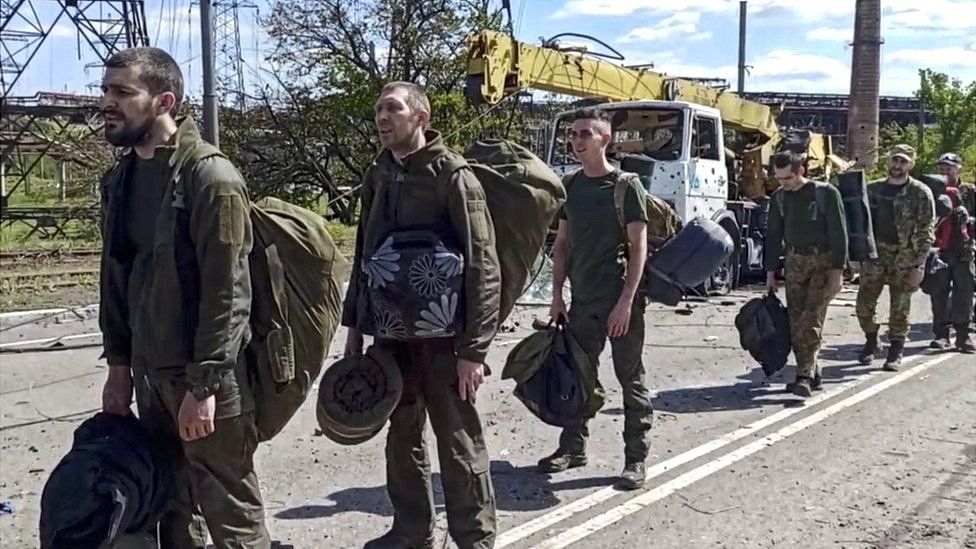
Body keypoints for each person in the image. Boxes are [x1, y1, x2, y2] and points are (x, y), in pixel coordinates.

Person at [97, 47, 269, 548]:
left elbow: (229, 291)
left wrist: (204, 386)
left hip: (204, 383)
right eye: (106, 90)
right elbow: (116, 282)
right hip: (151, 380)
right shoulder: (122, 180)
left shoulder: (210, 178)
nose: (108, 102)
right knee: (171, 512)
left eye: (123, 92)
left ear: (164, 100)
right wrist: (119, 366)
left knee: (231, 516)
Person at [341, 81, 501, 549]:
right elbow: (363, 254)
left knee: (458, 441)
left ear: (421, 116)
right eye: (378, 110)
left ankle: (475, 537)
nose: (382, 118)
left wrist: (475, 350)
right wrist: (355, 328)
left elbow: (483, 264)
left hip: (445, 337)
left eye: (393, 108)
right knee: (401, 433)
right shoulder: (379, 175)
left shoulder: (453, 176)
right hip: (391, 333)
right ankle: (412, 530)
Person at [539, 107, 653, 491]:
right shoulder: (570, 185)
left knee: (629, 379)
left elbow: (639, 249)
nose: (577, 140)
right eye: (573, 134)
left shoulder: (625, 186)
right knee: (577, 376)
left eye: (585, 133)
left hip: (620, 300)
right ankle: (573, 447)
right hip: (582, 301)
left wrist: (625, 302)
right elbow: (562, 244)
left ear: (605, 139)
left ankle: (635, 460)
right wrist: (556, 295)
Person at [764, 151, 848, 396]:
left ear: (801, 171)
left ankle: (803, 377)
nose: (783, 184)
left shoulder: (825, 194)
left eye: (788, 178)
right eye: (779, 179)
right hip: (794, 262)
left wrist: (837, 272)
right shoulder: (779, 199)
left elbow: (838, 233)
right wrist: (770, 272)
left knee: (812, 319)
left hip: (822, 261)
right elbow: (773, 235)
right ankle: (813, 370)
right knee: (796, 320)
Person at [855, 144, 936, 370]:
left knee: (900, 308)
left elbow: (926, 229)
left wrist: (919, 264)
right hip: (876, 255)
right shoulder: (871, 189)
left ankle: (896, 350)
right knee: (863, 306)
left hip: (905, 257)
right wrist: (855, 256)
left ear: (910, 164)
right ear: (888, 161)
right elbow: (858, 224)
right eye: (895, 160)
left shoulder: (920, 193)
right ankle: (872, 341)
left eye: (903, 162)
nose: (898, 166)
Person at [933, 152, 975, 352]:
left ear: (959, 169)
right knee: (938, 292)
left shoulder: (969, 192)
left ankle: (963, 335)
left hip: (962, 249)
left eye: (949, 167)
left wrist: (969, 220)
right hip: (938, 248)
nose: (945, 171)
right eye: (941, 168)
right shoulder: (931, 190)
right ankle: (941, 334)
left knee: (963, 292)